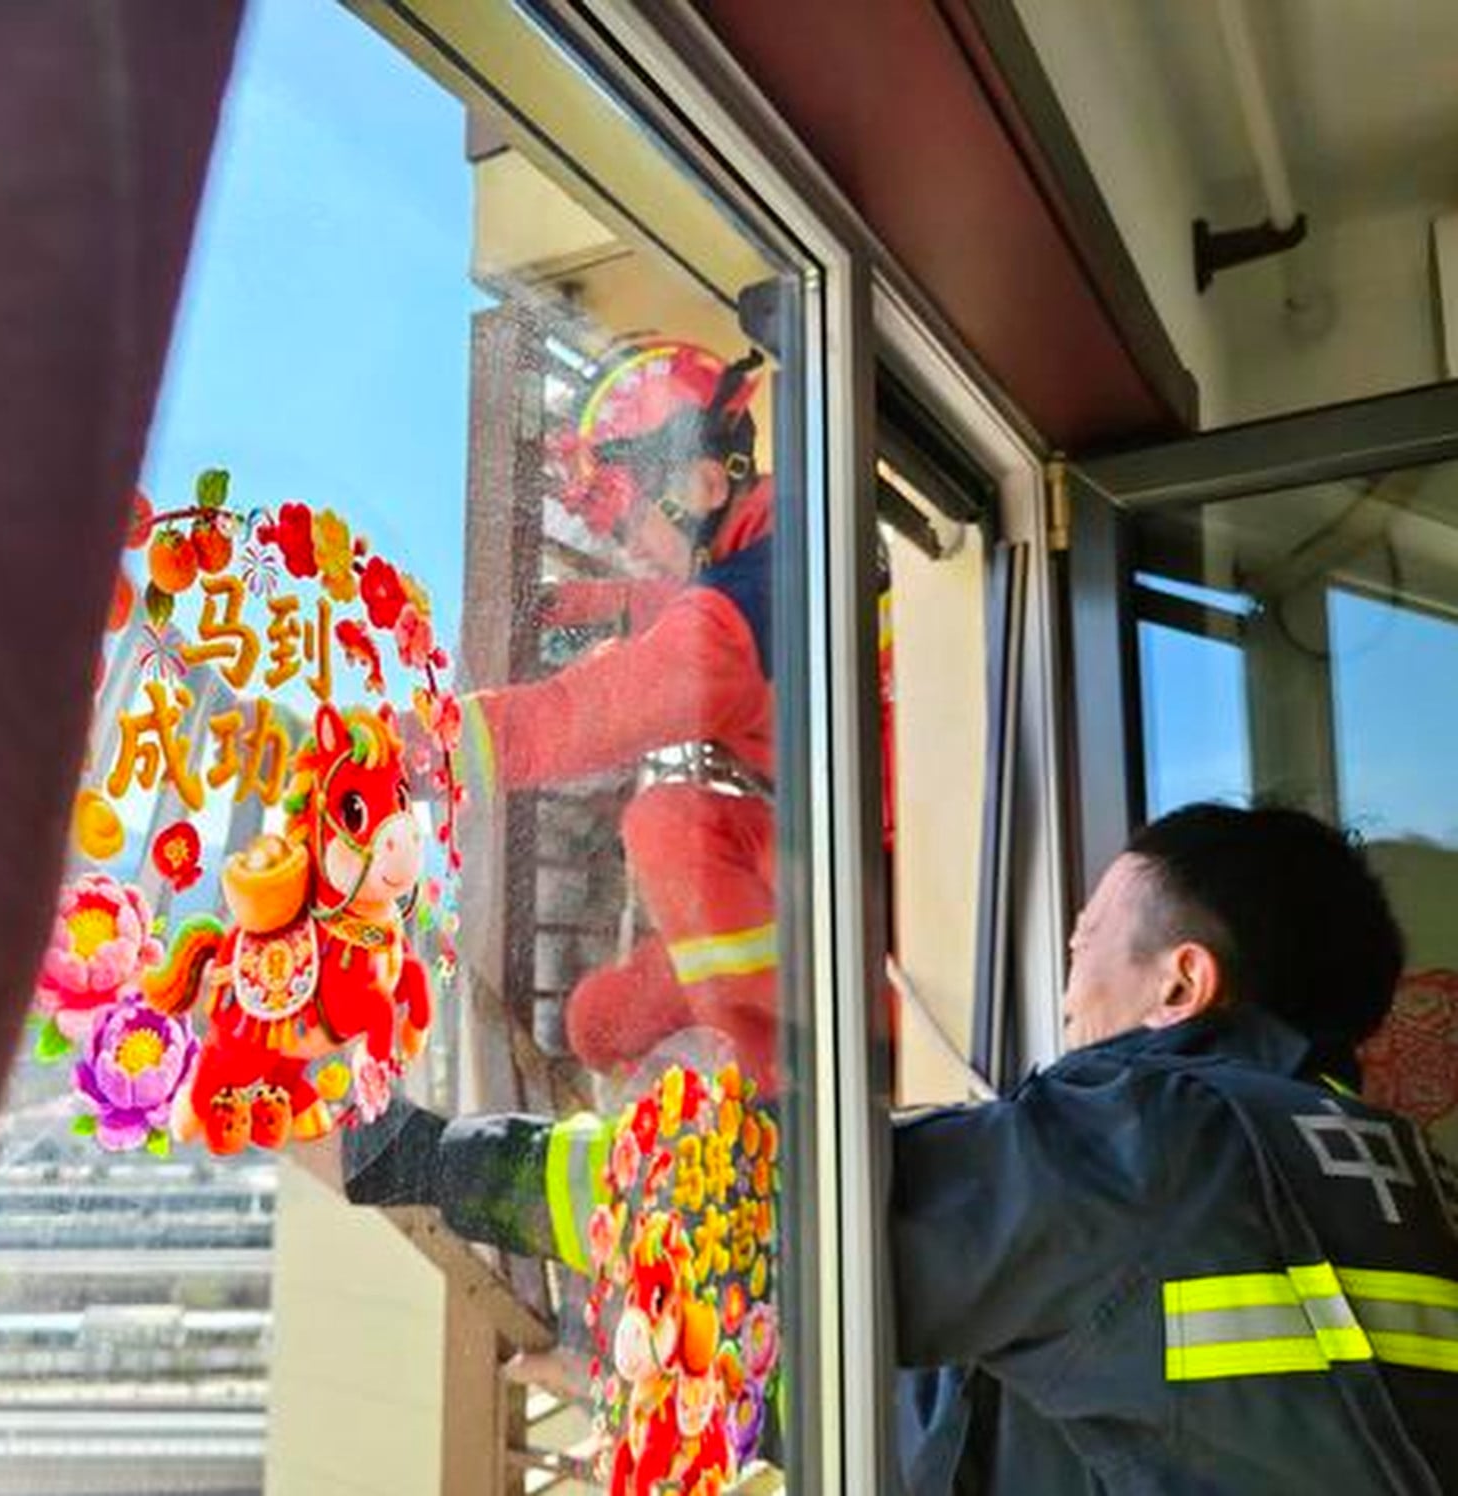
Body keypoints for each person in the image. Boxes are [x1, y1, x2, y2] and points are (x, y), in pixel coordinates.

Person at [348, 804, 1458, 1491]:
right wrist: (743, 1393)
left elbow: (772, 1206)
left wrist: (433, 1158)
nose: (1067, 997)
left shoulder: (1165, 1143)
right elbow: (997, 1424)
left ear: (1180, 981)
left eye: (1082, 949)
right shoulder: (1398, 1184)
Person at [458, 336, 782, 1087]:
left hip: (872, 929)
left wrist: (414, 751)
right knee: (598, 1022)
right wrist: (563, 614)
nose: (627, 547)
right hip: (861, 878)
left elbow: (569, 721)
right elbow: (670, 611)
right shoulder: (791, 539)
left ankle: (776, 1094)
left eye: (627, 521)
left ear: (702, 485)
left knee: (663, 826)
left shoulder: (727, 623)